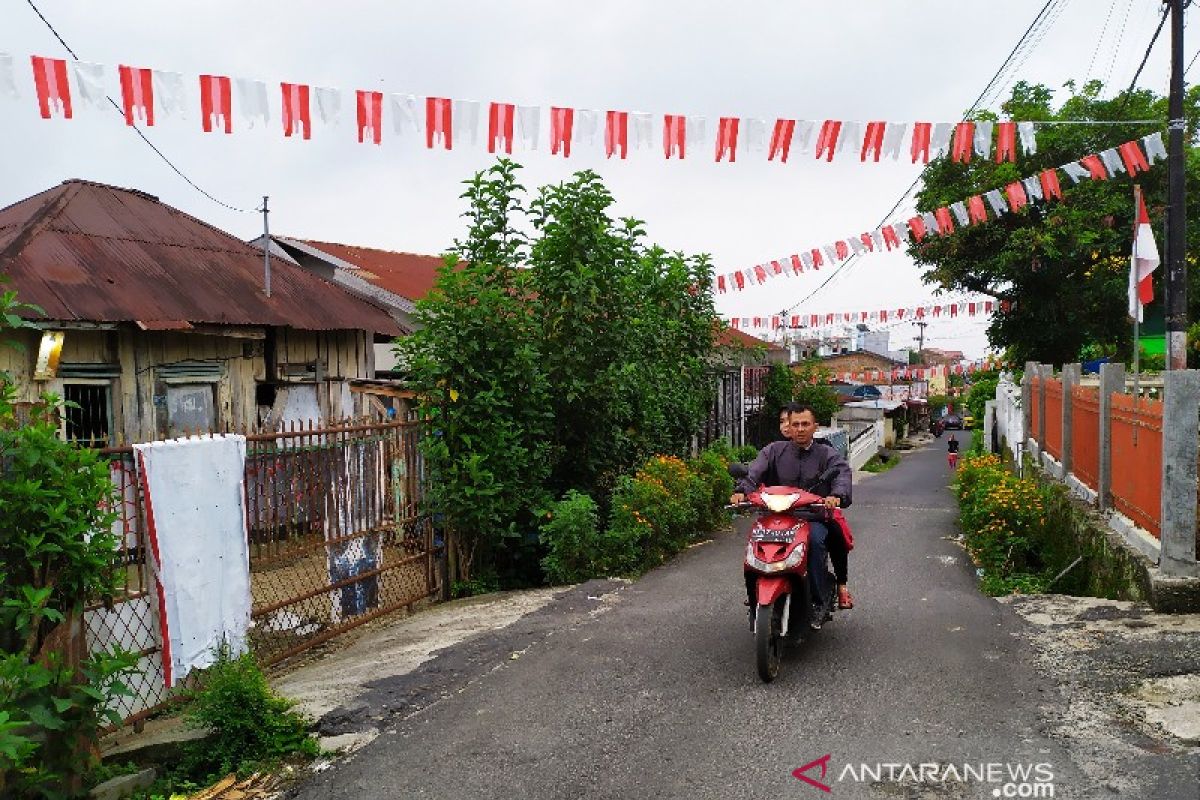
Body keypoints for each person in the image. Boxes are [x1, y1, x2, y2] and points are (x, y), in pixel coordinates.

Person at [730, 403, 854, 621]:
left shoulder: (827, 454)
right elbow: (754, 473)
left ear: (815, 426)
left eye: (805, 424)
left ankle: (818, 601)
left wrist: (837, 495)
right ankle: (754, 595)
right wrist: (741, 491)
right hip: (777, 517)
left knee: (816, 542)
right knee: (755, 540)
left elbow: (841, 474)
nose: (800, 429)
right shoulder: (774, 451)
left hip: (812, 517)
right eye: (795, 424)